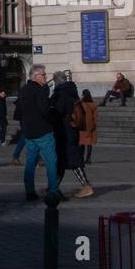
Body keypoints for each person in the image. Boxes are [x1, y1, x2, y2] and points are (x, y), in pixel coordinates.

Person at [13, 66, 63, 202]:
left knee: (30, 162)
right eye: (44, 75)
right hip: (43, 131)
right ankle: (53, 191)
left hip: (29, 131)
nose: (46, 77)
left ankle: (29, 191)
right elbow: (44, 109)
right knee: (51, 161)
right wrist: (53, 120)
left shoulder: (23, 90)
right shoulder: (39, 90)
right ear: (36, 76)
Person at [50, 70, 94, 198]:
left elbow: (57, 112)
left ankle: (86, 185)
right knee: (62, 161)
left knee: (72, 160)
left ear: (55, 81)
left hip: (64, 132)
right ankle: (53, 187)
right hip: (72, 130)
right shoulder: (72, 92)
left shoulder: (61, 94)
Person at [78, 89, 98, 165]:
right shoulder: (93, 104)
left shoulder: (81, 103)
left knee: (82, 142)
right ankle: (88, 158)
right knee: (89, 143)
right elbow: (95, 116)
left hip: (82, 125)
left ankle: (81, 158)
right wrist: (94, 124)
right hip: (90, 125)